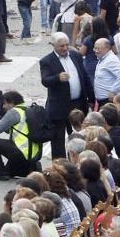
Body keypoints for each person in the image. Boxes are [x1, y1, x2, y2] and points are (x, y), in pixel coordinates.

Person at [39, 31, 89, 160]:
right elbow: (45, 80)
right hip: (59, 107)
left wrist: (91, 97)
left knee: (80, 136)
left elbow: (84, 76)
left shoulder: (75, 55)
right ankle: (60, 168)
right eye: (61, 46)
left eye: (67, 45)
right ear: (53, 45)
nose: (65, 48)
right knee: (58, 141)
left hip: (77, 104)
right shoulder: (47, 61)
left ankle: (79, 163)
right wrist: (57, 78)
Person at [0, 90, 42, 180]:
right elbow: (10, 130)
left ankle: (2, 173)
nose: (4, 106)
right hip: (33, 153)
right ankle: (29, 168)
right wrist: (2, 116)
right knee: (11, 168)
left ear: (12, 103)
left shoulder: (14, 112)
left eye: (5, 104)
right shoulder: (27, 109)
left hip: (22, 153)